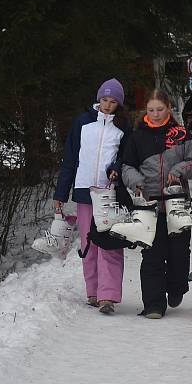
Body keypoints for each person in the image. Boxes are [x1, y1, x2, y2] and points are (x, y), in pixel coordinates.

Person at [121, 89, 192, 319]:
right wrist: (136, 181)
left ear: (168, 108)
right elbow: (127, 166)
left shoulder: (181, 135)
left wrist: (179, 170)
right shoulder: (137, 137)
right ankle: (154, 304)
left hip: (177, 204)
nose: (155, 114)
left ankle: (176, 289)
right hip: (149, 205)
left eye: (160, 109)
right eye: (151, 110)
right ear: (145, 111)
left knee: (178, 254)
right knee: (152, 255)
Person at [53, 78, 131, 315]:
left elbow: (127, 157)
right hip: (84, 191)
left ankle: (108, 296)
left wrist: (117, 168)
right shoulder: (82, 122)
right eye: (104, 100)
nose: (108, 105)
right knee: (89, 244)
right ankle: (93, 292)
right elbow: (69, 159)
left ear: (119, 104)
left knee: (109, 244)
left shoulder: (123, 127)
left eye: (113, 101)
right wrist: (61, 193)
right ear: (98, 99)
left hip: (109, 193)